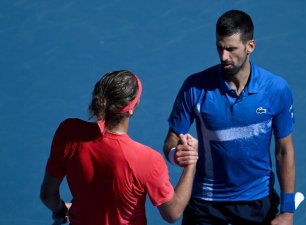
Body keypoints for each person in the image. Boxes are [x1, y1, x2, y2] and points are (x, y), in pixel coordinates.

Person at [163, 10, 297, 225]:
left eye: (231, 49)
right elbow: (171, 139)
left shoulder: (276, 89)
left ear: (250, 46)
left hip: (257, 202)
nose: (224, 56)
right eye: (220, 47)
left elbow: (284, 150)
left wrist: (287, 211)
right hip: (205, 203)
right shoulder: (194, 87)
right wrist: (176, 153)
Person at [40, 70, 199, 225]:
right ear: (130, 109)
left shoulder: (68, 132)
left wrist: (61, 209)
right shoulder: (148, 159)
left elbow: (48, 196)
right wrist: (192, 162)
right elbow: (172, 213)